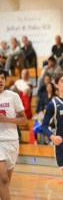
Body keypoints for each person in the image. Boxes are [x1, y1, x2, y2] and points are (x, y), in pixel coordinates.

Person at [0, 69, 28, 200]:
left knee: (5, 184)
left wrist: (7, 120)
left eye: (2, 78)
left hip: (12, 142)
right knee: (3, 179)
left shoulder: (12, 96)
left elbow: (24, 120)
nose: (0, 80)